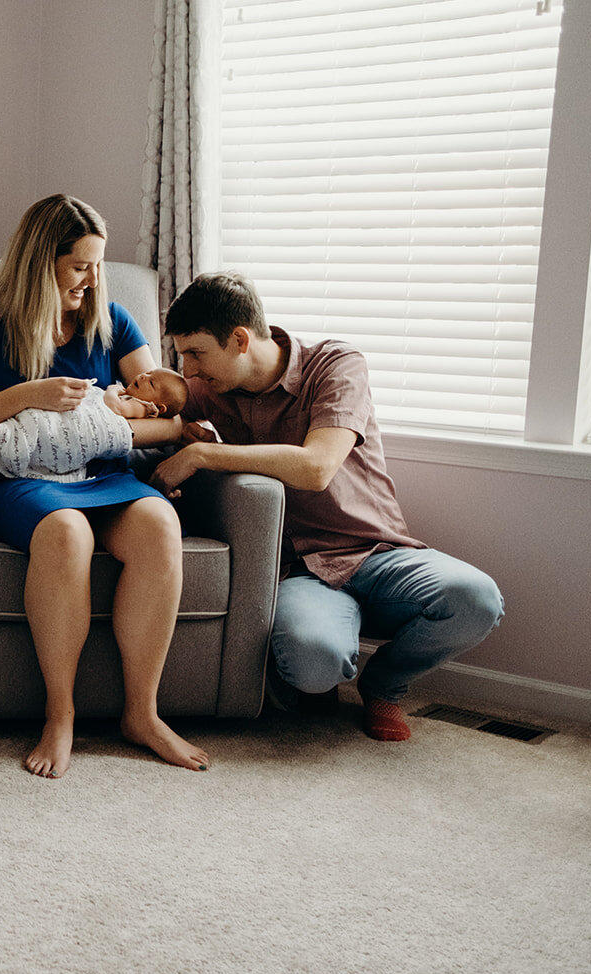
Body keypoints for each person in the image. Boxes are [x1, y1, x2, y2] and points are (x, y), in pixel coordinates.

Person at [0, 194, 209, 777]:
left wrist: (165, 427)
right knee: (67, 534)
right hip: (24, 477)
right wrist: (26, 395)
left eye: (98, 264)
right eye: (81, 265)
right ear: (39, 261)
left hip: (103, 470)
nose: (94, 278)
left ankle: (142, 713)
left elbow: (155, 411)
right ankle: (60, 715)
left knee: (159, 526)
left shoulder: (114, 323)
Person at [152, 271, 504, 741]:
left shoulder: (336, 365)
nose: (188, 371)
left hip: (376, 553)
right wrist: (173, 430)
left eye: (196, 353)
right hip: (299, 570)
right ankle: (318, 668)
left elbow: (316, 468)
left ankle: (385, 685)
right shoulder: (208, 390)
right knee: (312, 662)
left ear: (239, 339)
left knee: (476, 599)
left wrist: (201, 453)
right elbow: (144, 410)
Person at [0, 368, 189, 483]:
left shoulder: (142, 407)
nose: (144, 376)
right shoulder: (133, 396)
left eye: (151, 383)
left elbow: (114, 408)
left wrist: (111, 390)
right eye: (148, 373)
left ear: (159, 408)